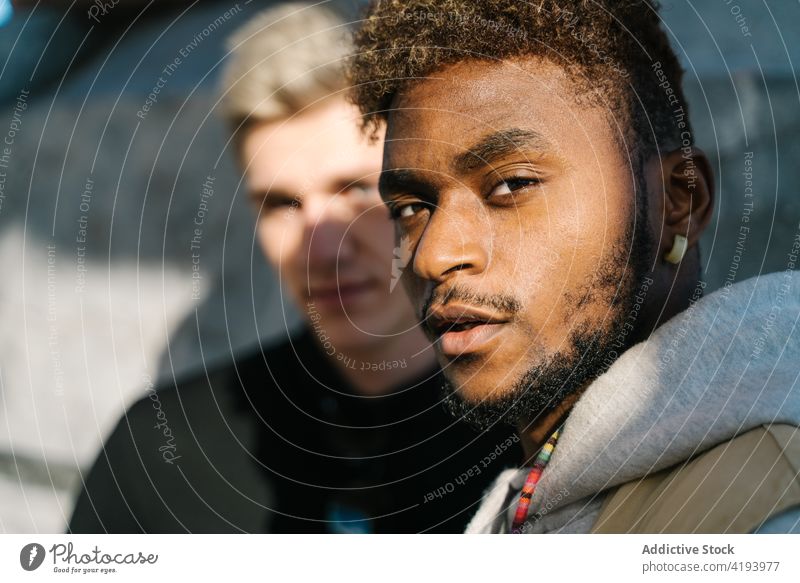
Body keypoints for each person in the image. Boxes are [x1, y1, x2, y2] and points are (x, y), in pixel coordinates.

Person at [348, 0, 800, 533]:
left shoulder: (763, 510)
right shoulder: (534, 500)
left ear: (679, 202)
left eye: (512, 185)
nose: (433, 255)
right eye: (411, 208)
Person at [68, 2, 519, 534]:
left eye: (355, 190)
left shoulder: (539, 431)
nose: (321, 248)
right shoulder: (162, 452)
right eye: (281, 203)